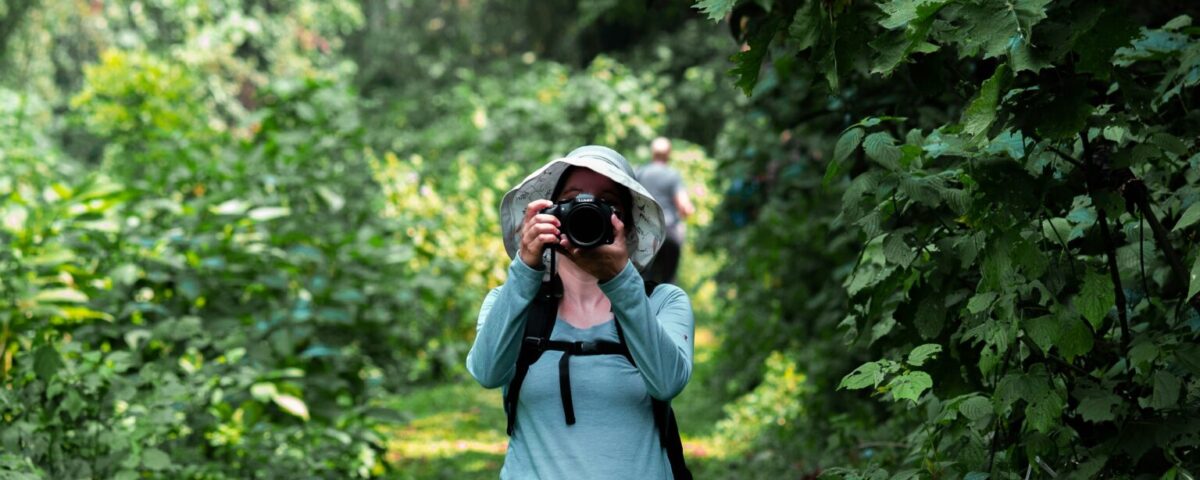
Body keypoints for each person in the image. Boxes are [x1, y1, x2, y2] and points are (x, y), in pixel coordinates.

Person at [466, 146, 695, 479]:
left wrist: (618, 279)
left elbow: (667, 382)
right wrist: (525, 267)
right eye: (573, 199)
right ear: (549, 215)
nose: (588, 210)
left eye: (608, 203)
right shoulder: (511, 302)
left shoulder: (663, 302)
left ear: (628, 227)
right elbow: (487, 372)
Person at [636, 137, 695, 284]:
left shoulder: (640, 173)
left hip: (645, 234)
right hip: (669, 233)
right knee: (668, 281)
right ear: (669, 154)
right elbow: (684, 206)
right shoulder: (672, 175)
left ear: (652, 153)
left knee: (644, 280)